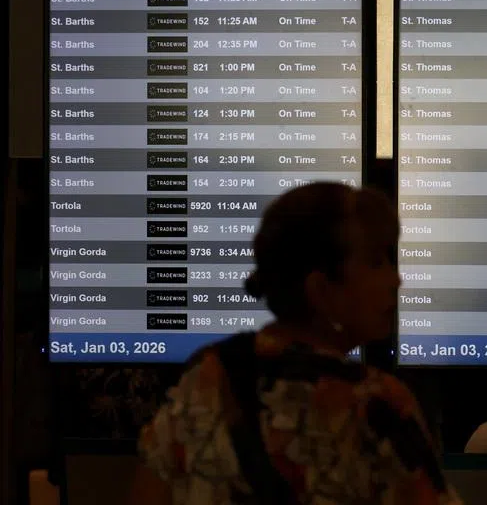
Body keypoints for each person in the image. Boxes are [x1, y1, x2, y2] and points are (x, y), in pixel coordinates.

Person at [129, 183, 459, 505]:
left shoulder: (205, 379)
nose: (395, 279)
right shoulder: (373, 406)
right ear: (321, 290)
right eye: (375, 262)